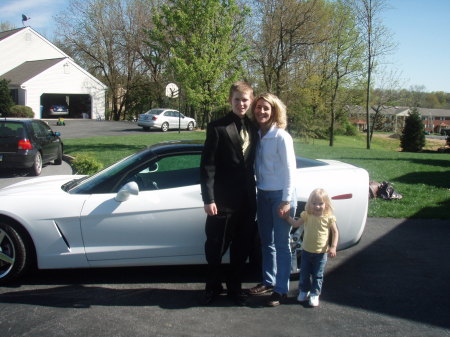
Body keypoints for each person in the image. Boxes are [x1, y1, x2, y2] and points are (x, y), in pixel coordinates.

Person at [199, 81, 258, 306]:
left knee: (241, 248)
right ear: (229, 100)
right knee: (215, 246)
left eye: (245, 100)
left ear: (250, 101)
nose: (241, 104)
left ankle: (235, 288)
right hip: (222, 202)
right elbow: (207, 166)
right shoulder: (217, 127)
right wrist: (208, 198)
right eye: (237, 99)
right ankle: (212, 286)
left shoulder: (254, 129)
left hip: (247, 201)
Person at [248, 92, 297, 307]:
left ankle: (281, 289)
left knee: (282, 243)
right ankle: (268, 281)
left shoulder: (281, 137)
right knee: (266, 242)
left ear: (274, 111)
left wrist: (286, 200)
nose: (261, 111)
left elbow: (290, 171)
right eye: (258, 107)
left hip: (280, 196)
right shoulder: (257, 134)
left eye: (266, 108)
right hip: (263, 193)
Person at [284, 188, 339, 307]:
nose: (317, 206)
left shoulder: (329, 217)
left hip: (321, 253)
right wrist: (287, 218)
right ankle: (304, 290)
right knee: (304, 273)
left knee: (317, 275)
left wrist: (333, 247)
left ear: (326, 204)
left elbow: (335, 232)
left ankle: (315, 293)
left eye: (320, 203)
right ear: (310, 204)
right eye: (314, 203)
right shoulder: (307, 215)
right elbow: (296, 224)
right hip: (306, 251)